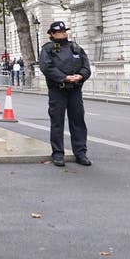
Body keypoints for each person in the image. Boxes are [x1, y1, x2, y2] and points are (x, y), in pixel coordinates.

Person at [38, 21, 91, 167]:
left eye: (64, 31)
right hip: (58, 89)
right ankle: (58, 153)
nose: (63, 34)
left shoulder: (75, 47)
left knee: (78, 121)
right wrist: (64, 77)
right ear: (52, 34)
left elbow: (86, 66)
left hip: (75, 89)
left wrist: (80, 76)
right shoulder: (48, 49)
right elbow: (46, 67)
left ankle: (80, 153)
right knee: (57, 122)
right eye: (60, 32)